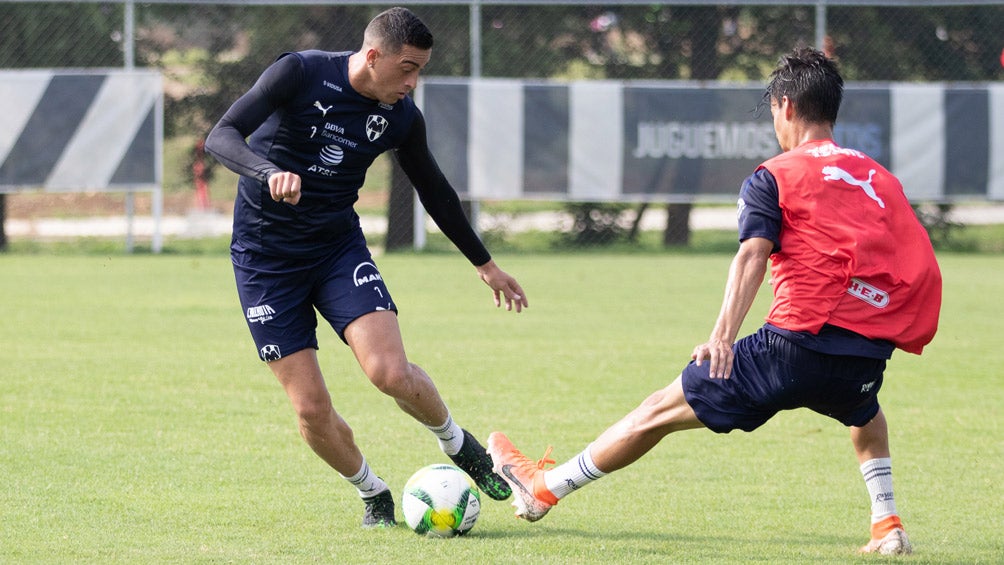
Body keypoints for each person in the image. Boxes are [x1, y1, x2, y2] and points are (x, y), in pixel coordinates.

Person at [488, 47, 941, 556]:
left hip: (793, 348)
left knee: (657, 410)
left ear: (785, 106)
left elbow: (752, 253)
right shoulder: (880, 179)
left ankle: (541, 490)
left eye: (772, 110)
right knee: (864, 412)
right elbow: (914, 259)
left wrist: (721, 337)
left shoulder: (776, 174)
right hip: (865, 352)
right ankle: (887, 523)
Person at [204, 6, 527, 528]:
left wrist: (484, 263)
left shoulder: (401, 116)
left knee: (389, 371)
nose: (413, 82)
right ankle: (372, 491)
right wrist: (268, 173)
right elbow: (221, 135)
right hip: (265, 261)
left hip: (336, 250)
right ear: (373, 56)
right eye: (407, 68)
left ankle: (457, 443)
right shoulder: (301, 72)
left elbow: (436, 192)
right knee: (310, 408)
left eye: (420, 69)